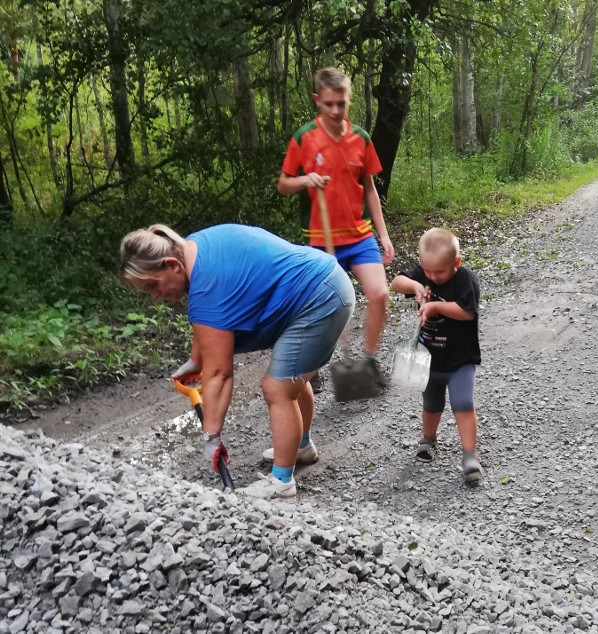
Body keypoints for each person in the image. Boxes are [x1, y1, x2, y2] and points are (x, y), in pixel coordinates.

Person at [119, 223, 355, 500]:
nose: (154, 296)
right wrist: (196, 362)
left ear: (172, 265)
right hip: (326, 281)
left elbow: (219, 373)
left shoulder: (207, 282)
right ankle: (301, 447)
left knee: (278, 388)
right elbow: (206, 323)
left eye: (152, 285)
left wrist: (211, 436)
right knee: (292, 377)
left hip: (319, 298)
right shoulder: (194, 250)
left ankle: (281, 484)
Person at [277, 67, 394, 389]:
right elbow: (283, 184)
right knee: (320, 307)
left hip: (358, 235)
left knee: (380, 294)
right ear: (318, 100)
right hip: (319, 239)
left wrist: (382, 234)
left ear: (349, 100)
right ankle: (312, 369)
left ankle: (368, 362)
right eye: (328, 104)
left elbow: (369, 188)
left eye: (341, 103)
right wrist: (305, 179)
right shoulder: (304, 137)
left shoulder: (361, 138)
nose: (335, 110)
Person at [390, 228, 483, 482]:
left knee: (463, 405)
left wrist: (435, 306)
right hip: (429, 360)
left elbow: (467, 312)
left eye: (439, 272)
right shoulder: (425, 275)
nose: (433, 276)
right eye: (427, 270)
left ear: (456, 263)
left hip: (460, 360)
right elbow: (396, 282)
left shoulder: (465, 280)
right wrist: (417, 286)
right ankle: (428, 440)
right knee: (431, 405)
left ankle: (470, 455)